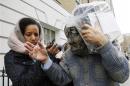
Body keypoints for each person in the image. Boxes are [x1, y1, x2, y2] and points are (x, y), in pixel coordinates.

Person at [25, 3, 129, 86]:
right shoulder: (70, 53)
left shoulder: (110, 46)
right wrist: (46, 61)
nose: (71, 40)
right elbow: (63, 79)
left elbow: (122, 76)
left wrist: (104, 45)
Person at [4, 18, 60, 86]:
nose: (33, 38)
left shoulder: (45, 51)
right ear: (20, 35)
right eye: (28, 34)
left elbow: (58, 77)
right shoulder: (11, 57)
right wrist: (42, 60)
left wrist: (51, 58)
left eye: (36, 34)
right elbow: (22, 83)